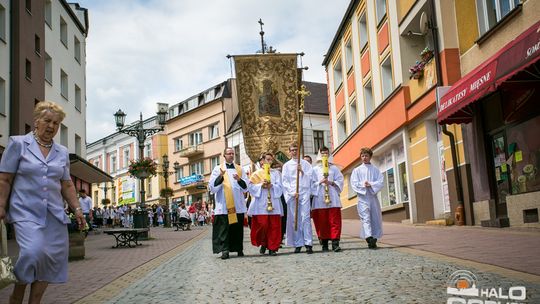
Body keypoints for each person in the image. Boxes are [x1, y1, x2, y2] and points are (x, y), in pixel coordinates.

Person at [0, 101, 85, 304]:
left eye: (56, 123)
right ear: (36, 121)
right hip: (25, 212)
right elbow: (5, 179)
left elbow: (66, 184)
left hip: (54, 215)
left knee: (49, 261)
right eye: (47, 121)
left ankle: (34, 302)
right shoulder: (18, 144)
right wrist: (1, 206)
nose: (51, 126)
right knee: (32, 252)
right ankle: (18, 291)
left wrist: (78, 209)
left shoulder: (62, 152)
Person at [208, 147, 248, 260]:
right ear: (224, 155)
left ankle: (239, 248)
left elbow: (246, 188)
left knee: (237, 229)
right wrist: (220, 177)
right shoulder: (217, 169)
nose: (231, 155)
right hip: (224, 205)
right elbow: (212, 188)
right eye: (229, 153)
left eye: (232, 153)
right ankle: (225, 250)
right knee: (224, 230)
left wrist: (239, 180)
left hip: (238, 205)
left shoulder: (240, 169)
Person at [247, 152, 284, 256]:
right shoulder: (256, 174)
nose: (269, 161)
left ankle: (273, 247)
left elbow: (281, 188)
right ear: (262, 161)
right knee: (263, 225)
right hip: (261, 203)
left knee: (274, 226)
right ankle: (264, 242)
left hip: (274, 202)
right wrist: (260, 186)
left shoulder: (276, 174)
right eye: (267, 159)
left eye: (271, 160)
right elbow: (250, 187)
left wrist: (272, 186)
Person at [281, 143, 314, 254]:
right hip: (293, 194)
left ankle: (308, 243)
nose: (294, 152)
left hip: (304, 192)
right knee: (295, 219)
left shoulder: (305, 164)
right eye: (292, 150)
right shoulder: (286, 165)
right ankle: (298, 243)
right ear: (289, 152)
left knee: (305, 217)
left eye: (296, 150)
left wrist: (302, 171)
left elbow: (311, 178)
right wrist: (292, 192)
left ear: (299, 151)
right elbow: (284, 181)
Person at [311, 146, 344, 252]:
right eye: (322, 153)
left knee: (334, 221)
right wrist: (319, 182)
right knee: (322, 222)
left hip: (332, 198)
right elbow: (310, 184)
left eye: (326, 153)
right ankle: (324, 243)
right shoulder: (315, 169)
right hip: (320, 197)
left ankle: (335, 243)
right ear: (319, 154)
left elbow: (340, 180)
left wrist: (331, 182)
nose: (324, 155)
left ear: (329, 154)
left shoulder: (334, 168)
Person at [350, 147, 384, 249]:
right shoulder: (357, 170)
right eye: (362, 156)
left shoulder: (376, 170)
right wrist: (363, 184)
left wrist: (371, 184)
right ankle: (369, 237)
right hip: (363, 197)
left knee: (375, 218)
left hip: (373, 197)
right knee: (366, 218)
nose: (364, 157)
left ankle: (374, 238)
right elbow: (354, 183)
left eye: (366, 156)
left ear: (370, 157)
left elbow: (380, 182)